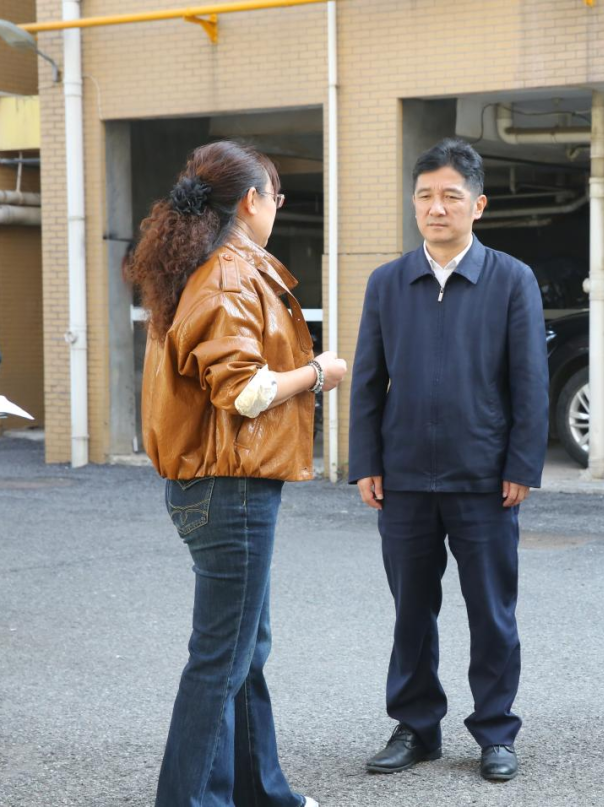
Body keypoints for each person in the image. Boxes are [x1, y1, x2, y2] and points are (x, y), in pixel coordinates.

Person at [129, 140, 347, 806]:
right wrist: (319, 373)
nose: (277, 208)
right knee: (221, 658)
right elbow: (245, 391)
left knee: (242, 650)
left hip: (217, 484)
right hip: (231, 489)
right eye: (276, 197)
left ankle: (260, 791)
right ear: (252, 200)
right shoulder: (228, 275)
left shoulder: (205, 269)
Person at [349, 138, 548, 782]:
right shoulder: (388, 282)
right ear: (414, 204)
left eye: (451, 197)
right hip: (404, 476)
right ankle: (416, 727)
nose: (437, 208)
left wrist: (520, 465)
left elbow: (530, 381)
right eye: (425, 196)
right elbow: (368, 380)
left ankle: (495, 731)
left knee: (491, 612)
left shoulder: (511, 280)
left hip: (484, 479)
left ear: (477, 205)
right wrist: (366, 461)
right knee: (411, 611)